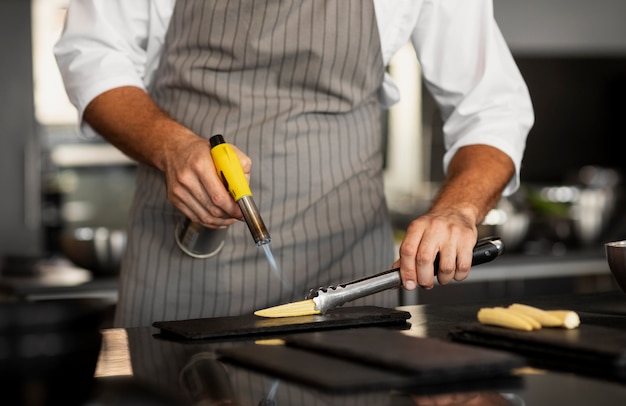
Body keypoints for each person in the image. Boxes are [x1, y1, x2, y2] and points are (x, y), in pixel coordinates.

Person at [54, 0, 533, 328]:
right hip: (181, 259)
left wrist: (459, 209)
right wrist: (170, 147)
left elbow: (491, 106)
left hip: (346, 265)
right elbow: (92, 54)